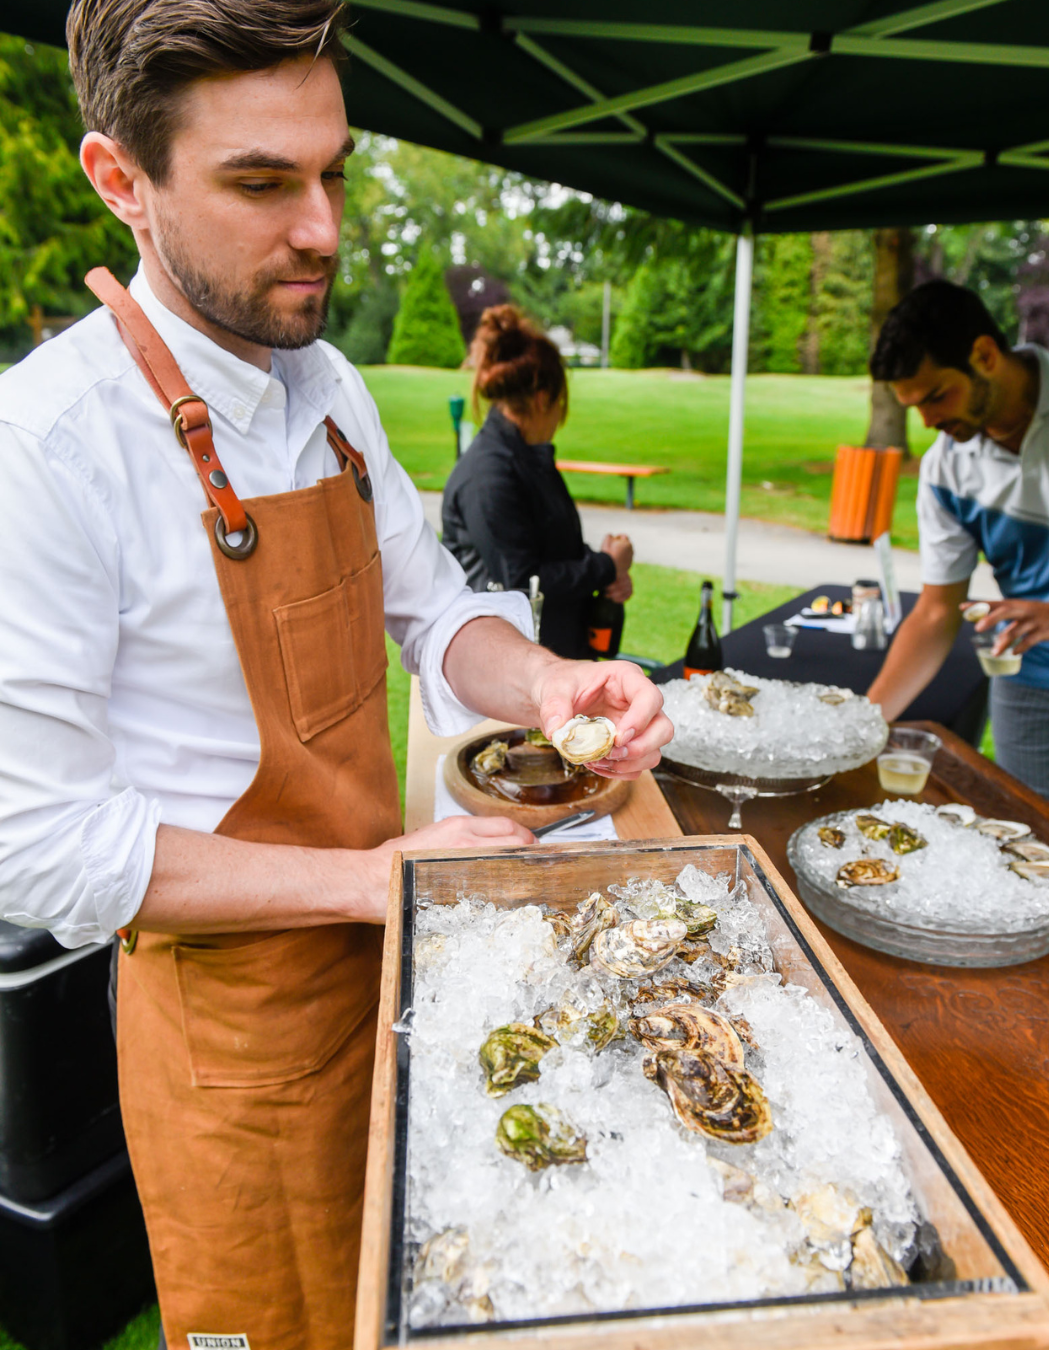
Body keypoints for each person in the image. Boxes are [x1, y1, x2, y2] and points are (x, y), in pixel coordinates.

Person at [0, 4, 673, 1346]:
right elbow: (36, 844)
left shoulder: (329, 387)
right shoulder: (47, 446)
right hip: (233, 1045)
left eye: (335, 172)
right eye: (261, 182)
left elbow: (432, 613)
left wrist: (540, 677)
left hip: (396, 970)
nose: (321, 227)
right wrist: (371, 878)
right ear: (118, 179)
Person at [866, 280, 1049, 819]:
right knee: (1039, 848)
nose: (929, 422)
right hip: (1034, 679)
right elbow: (936, 612)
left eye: (936, 396)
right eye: (913, 407)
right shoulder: (946, 467)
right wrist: (860, 726)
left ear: (984, 355)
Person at [441, 305, 633, 659]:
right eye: (560, 402)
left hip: (553, 656)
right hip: (508, 672)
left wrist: (604, 571)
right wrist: (606, 566)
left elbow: (552, 548)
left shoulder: (527, 456)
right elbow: (523, 581)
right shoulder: (488, 475)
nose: (561, 415)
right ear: (543, 398)